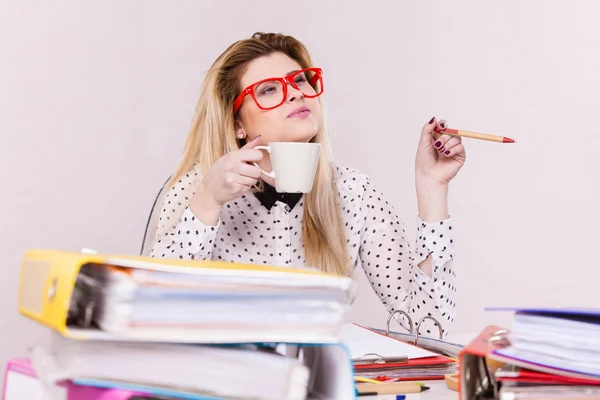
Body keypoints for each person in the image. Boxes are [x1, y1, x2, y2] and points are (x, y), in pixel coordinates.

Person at [150, 32, 466, 337]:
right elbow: (155, 314)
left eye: (299, 79)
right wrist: (207, 203)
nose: (296, 93)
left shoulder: (353, 191)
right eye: (269, 89)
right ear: (238, 124)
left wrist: (432, 188)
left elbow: (427, 328)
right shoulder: (197, 188)